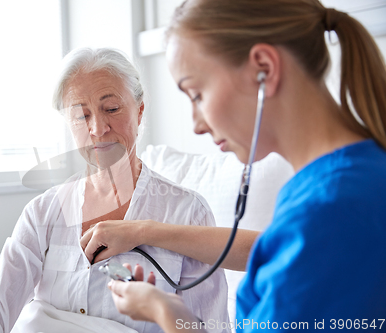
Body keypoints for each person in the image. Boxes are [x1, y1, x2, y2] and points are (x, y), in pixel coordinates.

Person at [80, 0, 386, 331]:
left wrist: (164, 312)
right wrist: (145, 232)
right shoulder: (351, 180)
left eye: (196, 94)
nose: (196, 124)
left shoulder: (330, 211)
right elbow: (272, 247)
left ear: (264, 69)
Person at [0, 47, 244, 333]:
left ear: (139, 112)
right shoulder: (44, 212)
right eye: (81, 115)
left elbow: (208, 326)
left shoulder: (186, 212)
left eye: (111, 109)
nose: (98, 128)